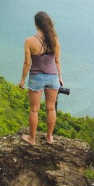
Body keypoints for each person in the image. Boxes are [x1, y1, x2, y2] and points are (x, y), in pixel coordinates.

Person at [18, 11, 63, 145]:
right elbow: (57, 62)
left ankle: (32, 139)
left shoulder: (29, 41)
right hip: (52, 77)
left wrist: (22, 80)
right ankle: (49, 137)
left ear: (36, 24)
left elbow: (27, 63)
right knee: (51, 108)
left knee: (34, 109)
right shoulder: (54, 41)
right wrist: (60, 77)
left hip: (36, 78)